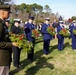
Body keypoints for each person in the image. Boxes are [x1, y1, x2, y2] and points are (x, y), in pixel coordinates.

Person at [0, 2, 18, 75]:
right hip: (2, 58)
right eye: (8, 12)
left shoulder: (3, 23)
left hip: (5, 56)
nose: (9, 14)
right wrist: (11, 44)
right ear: (2, 12)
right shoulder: (0, 24)